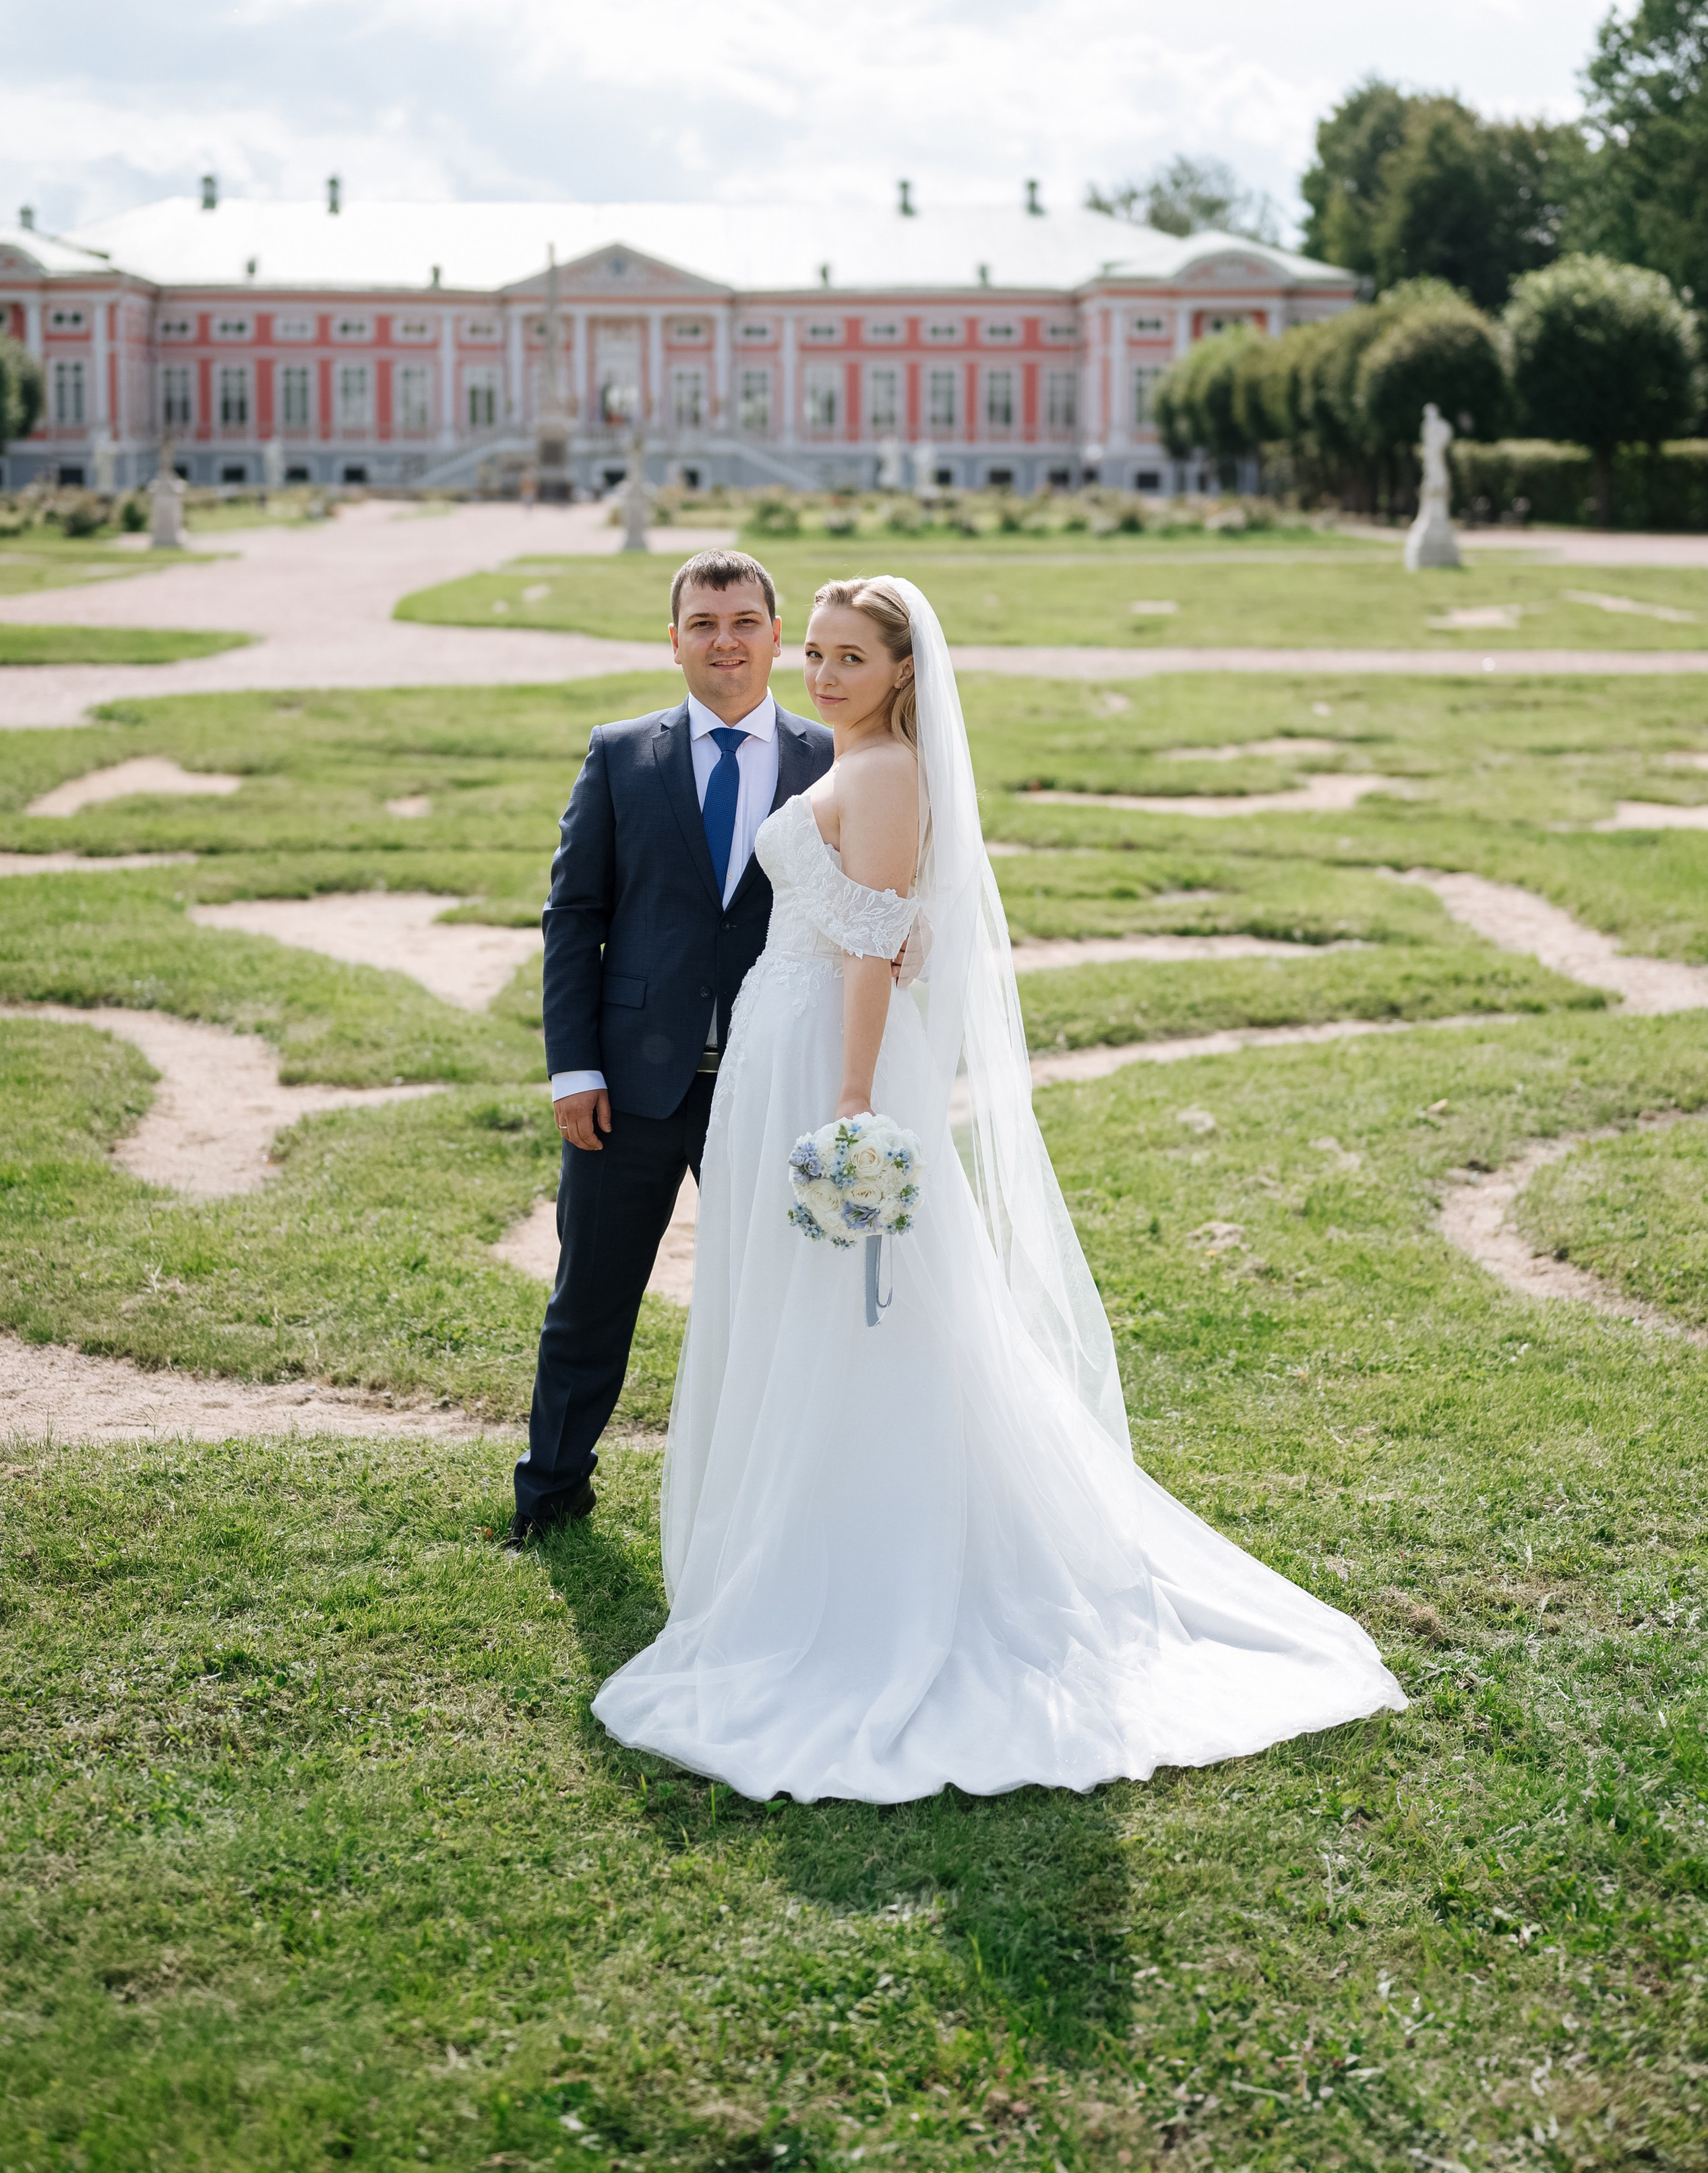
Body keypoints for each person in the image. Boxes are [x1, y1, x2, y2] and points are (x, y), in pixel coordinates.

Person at [592, 576, 1406, 1802]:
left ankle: (869, 1560)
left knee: (865, 1310)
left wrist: (852, 1102)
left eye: (849, 658)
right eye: (813, 653)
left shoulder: (885, 776)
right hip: (787, 1038)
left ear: (903, 671)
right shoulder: (854, 760)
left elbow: (872, 946)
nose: (820, 676)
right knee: (801, 1299)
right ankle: (789, 1539)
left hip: (830, 1055)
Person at [511, 549, 832, 1544]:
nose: (725, 642)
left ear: (778, 637)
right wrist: (574, 1068)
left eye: (744, 622)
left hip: (772, 1088)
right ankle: (551, 1492)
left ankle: (771, 1511)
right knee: (589, 1304)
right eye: (704, 624)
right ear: (675, 640)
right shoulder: (620, 754)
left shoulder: (830, 759)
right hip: (630, 1091)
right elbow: (575, 916)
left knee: (773, 1310)